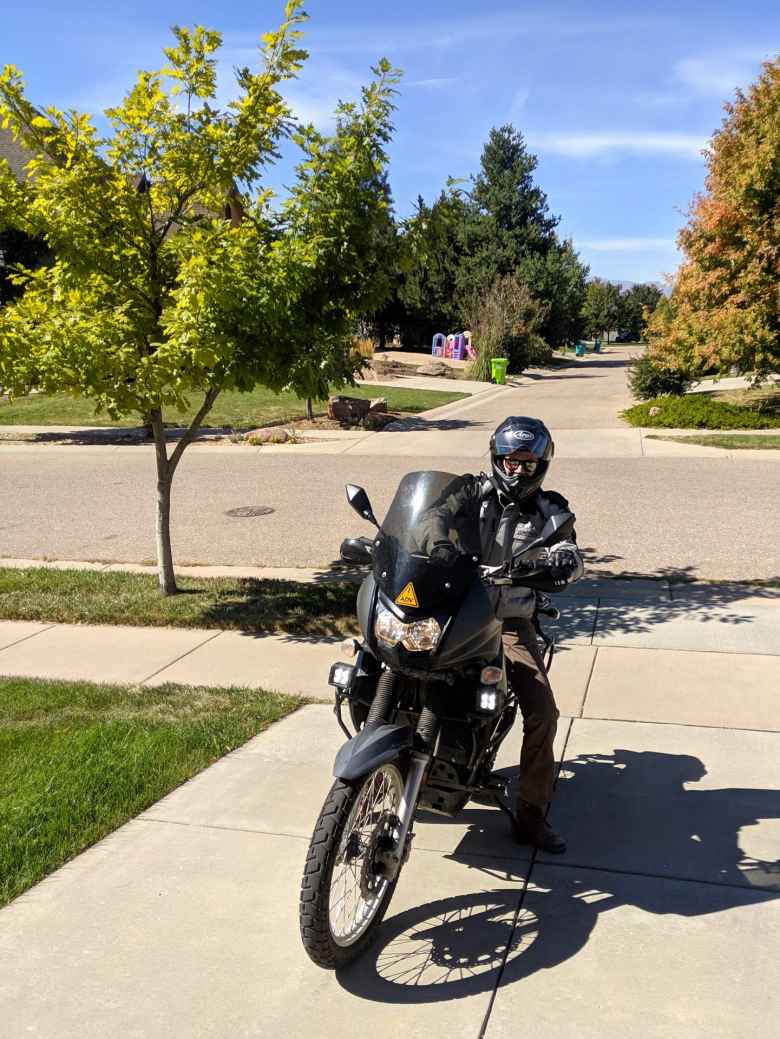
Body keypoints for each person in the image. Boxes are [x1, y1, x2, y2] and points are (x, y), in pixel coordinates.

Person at [417, 416, 583, 853]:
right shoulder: (469, 491)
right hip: (452, 606)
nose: (516, 471)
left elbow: (570, 551)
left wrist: (558, 564)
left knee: (543, 712)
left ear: (541, 465)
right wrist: (436, 544)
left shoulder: (552, 510)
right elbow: (431, 515)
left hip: (508, 622)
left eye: (527, 464)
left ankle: (531, 817)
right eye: (510, 461)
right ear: (496, 459)